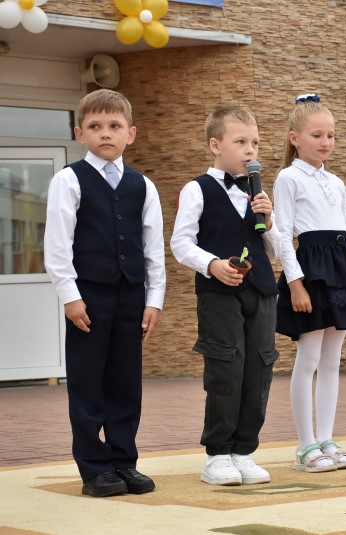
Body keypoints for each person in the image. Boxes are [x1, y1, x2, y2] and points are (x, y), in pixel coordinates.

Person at [44, 89, 166, 497]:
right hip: (89, 297)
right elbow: (57, 245)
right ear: (80, 134)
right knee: (87, 382)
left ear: (130, 133)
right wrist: (70, 295)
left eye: (115, 126)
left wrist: (154, 299)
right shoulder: (68, 180)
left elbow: (153, 248)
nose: (105, 133)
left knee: (125, 382)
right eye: (95, 126)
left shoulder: (143, 185)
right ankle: (94, 468)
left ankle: (124, 461)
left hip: (131, 296)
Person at [171, 106, 281, 486]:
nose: (250, 150)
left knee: (259, 368)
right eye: (241, 142)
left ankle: (243, 451)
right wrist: (212, 264)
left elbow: (274, 251)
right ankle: (217, 454)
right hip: (219, 294)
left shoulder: (258, 192)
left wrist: (269, 219)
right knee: (225, 367)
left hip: (262, 291)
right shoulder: (197, 189)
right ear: (216, 145)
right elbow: (181, 243)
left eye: (255, 143)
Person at [273, 94, 346, 472]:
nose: (326, 142)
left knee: (332, 361)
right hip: (311, 270)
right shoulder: (288, 177)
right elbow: (282, 234)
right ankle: (305, 445)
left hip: (342, 268)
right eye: (317, 135)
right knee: (309, 358)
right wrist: (295, 283)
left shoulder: (336, 182)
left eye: (330, 135)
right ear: (295, 138)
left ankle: (327, 439)